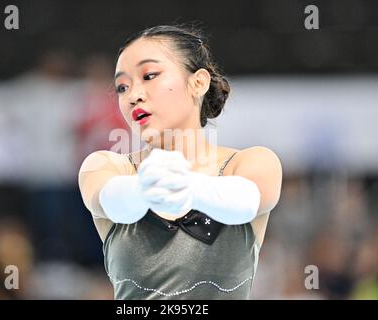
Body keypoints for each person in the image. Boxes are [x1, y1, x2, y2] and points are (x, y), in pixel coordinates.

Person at [78, 25, 283, 299]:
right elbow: (112, 202)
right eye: (122, 87)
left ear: (198, 82)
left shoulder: (251, 162)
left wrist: (188, 187)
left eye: (149, 75)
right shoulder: (107, 167)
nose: (133, 96)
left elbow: (245, 201)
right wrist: (146, 187)